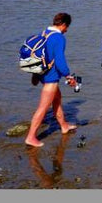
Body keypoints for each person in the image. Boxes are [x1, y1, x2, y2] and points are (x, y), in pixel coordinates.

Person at [24, 13, 78, 147]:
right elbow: (60, 60)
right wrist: (68, 76)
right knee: (43, 108)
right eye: (67, 27)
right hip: (51, 77)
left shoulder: (44, 33)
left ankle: (64, 126)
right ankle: (31, 137)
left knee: (57, 98)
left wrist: (35, 74)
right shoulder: (59, 38)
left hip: (42, 73)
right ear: (64, 24)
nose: (66, 30)